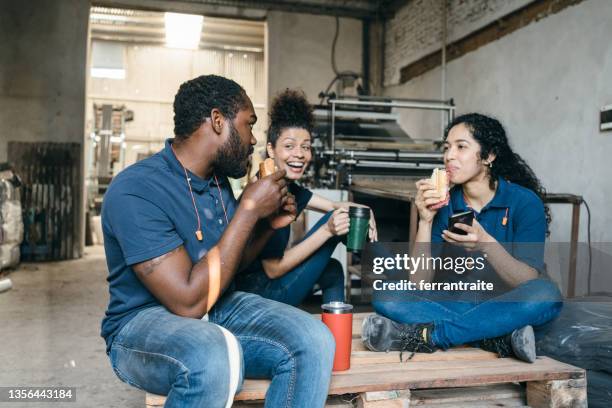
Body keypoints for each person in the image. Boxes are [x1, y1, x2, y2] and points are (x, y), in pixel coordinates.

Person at [100, 75, 335, 408]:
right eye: (248, 125)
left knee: (314, 339)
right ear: (217, 121)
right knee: (210, 354)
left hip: (218, 308)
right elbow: (187, 302)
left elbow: (231, 264)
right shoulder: (136, 190)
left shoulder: (216, 182)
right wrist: (249, 209)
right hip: (142, 325)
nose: (253, 139)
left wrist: (267, 225)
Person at [361, 113, 562, 362]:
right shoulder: (446, 203)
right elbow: (420, 283)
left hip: (507, 304)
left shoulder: (523, 202)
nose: (449, 156)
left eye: (461, 147)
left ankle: (432, 336)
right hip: (459, 302)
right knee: (387, 294)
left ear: (489, 156)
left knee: (546, 293)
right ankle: (494, 338)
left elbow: (527, 281)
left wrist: (486, 244)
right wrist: (425, 220)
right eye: (447, 148)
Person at [236, 89, 377, 306]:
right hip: (258, 296)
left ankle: (338, 337)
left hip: (266, 287)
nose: (300, 154)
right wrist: (327, 230)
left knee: (332, 270)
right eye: (289, 146)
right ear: (271, 149)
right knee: (336, 221)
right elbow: (273, 270)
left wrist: (366, 211)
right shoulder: (264, 192)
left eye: (306, 147)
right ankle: (394, 285)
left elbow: (333, 204)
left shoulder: (284, 184)